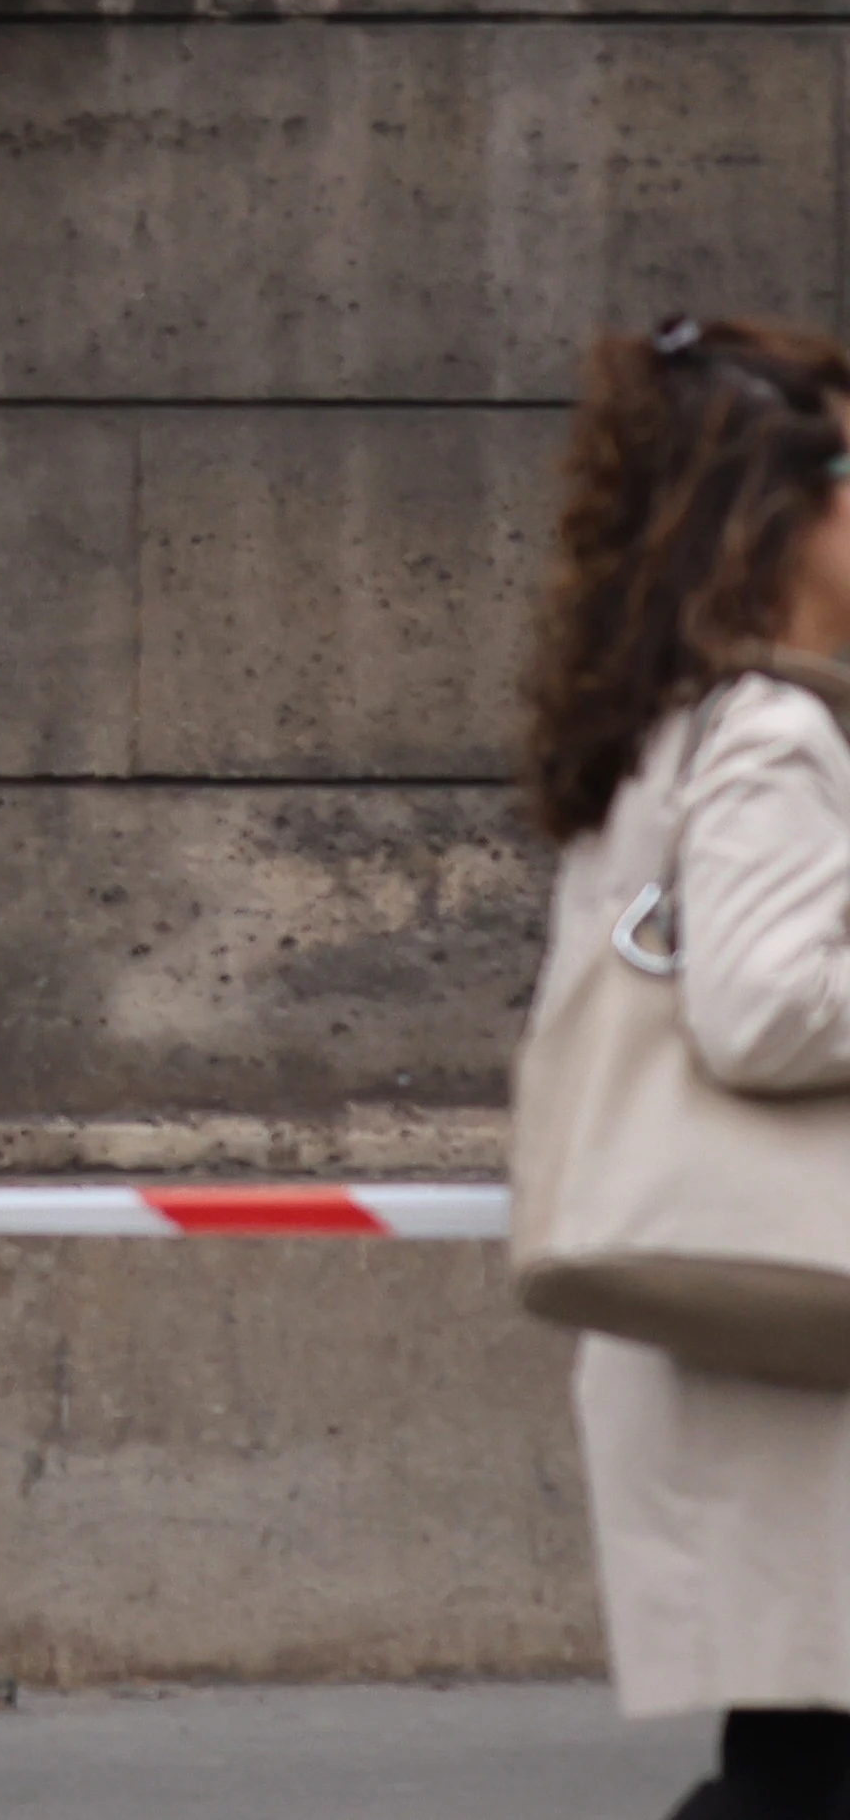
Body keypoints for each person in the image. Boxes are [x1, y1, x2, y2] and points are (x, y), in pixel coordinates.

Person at [527, 314, 850, 1820]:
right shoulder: (777, 730)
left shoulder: (660, 725)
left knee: (793, 1758)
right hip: (799, 1324)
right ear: (782, 513)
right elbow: (769, 1009)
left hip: (735, 1311)